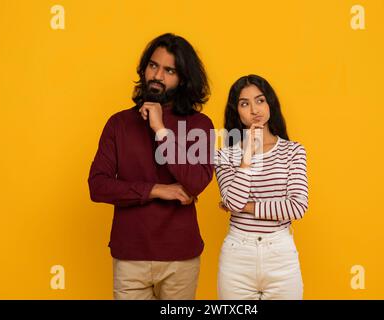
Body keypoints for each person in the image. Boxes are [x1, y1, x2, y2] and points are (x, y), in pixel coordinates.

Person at [88, 33, 214, 300]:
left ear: (183, 79)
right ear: (144, 68)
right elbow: (98, 186)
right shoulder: (119, 123)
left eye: (170, 70)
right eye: (153, 66)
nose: (158, 75)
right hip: (130, 258)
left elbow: (196, 182)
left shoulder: (200, 125)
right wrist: (156, 190)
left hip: (180, 259)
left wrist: (160, 129)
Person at [214, 74, 308, 300]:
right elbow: (234, 203)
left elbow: (297, 207)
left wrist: (246, 208)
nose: (254, 109)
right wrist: (247, 155)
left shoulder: (293, 151)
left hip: (280, 254)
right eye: (244, 103)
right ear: (236, 111)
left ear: (270, 104)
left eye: (260, 100)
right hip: (238, 256)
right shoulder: (224, 155)